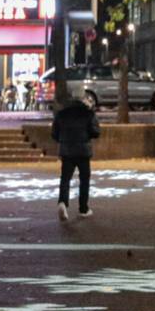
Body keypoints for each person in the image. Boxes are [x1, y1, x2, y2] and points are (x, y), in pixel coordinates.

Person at [50, 82, 99, 221]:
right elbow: (95, 131)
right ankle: (83, 208)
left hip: (67, 150)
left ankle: (63, 202)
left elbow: (54, 134)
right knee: (84, 179)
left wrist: (63, 139)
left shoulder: (62, 114)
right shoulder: (88, 113)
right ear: (82, 95)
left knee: (65, 178)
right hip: (83, 150)